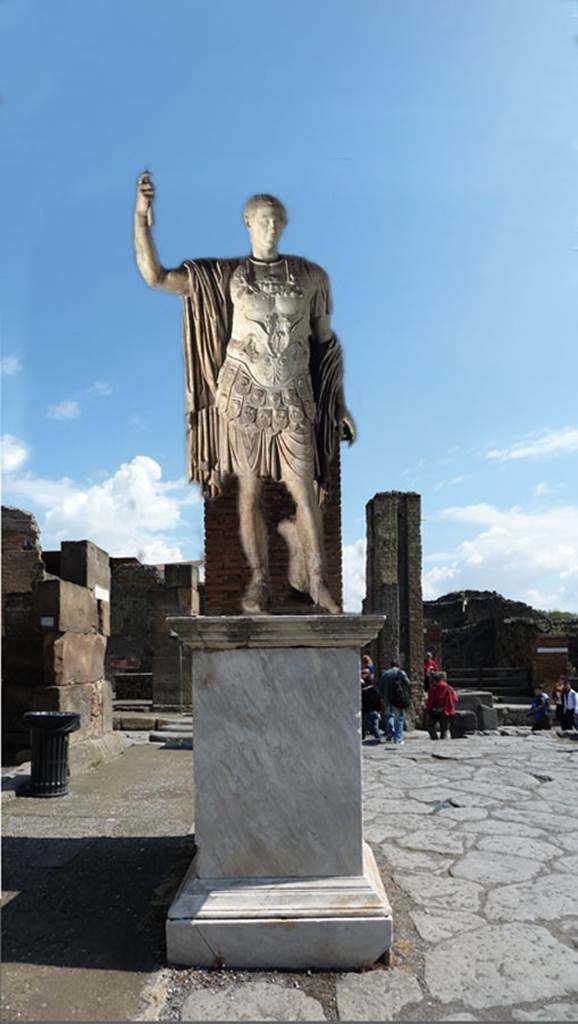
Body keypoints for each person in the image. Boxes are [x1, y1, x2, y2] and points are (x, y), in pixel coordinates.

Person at [134, 175, 356, 616]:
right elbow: (156, 277)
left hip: (294, 393)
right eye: (261, 221)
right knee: (249, 489)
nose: (269, 228)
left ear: (284, 225)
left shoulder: (312, 277)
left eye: (276, 221)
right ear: (247, 225)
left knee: (304, 491)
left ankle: (316, 579)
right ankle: (258, 581)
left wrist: (339, 402)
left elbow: (325, 344)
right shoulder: (225, 276)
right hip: (243, 392)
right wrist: (142, 218)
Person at [378, 660, 411, 745]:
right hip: (397, 699)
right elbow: (407, 683)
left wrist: (382, 698)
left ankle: (389, 733)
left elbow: (380, 687)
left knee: (389, 716)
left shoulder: (385, 674)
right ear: (398, 665)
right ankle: (398, 739)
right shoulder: (401, 673)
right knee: (399, 719)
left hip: (387, 700)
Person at [426, 671, 457, 740]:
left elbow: (431, 701)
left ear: (434, 680)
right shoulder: (449, 688)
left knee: (430, 726)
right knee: (444, 728)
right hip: (446, 711)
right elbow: (455, 698)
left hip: (435, 710)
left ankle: (435, 739)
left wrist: (428, 709)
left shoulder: (433, 689)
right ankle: (443, 742)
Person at [361, 671, 381, 742]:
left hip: (366, 711)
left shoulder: (363, 692)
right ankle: (378, 737)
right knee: (375, 726)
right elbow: (378, 701)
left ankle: (362, 736)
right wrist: (379, 710)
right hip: (374, 711)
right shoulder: (375, 691)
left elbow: (363, 702)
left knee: (364, 725)